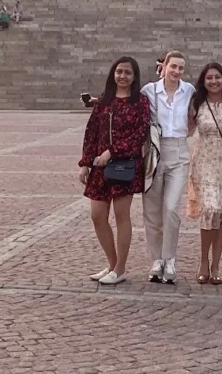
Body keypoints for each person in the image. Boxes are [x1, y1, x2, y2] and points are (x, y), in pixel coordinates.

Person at [79, 56, 151, 286]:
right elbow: (92, 132)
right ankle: (112, 263)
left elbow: (139, 135)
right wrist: (85, 163)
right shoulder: (104, 101)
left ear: (134, 76)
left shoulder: (140, 101)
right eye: (119, 71)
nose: (122, 76)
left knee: (122, 216)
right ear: (113, 74)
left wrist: (112, 151)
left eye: (127, 73)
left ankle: (120, 268)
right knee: (97, 216)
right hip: (100, 165)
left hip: (124, 165)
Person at [187, 62, 222, 285]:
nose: (214, 81)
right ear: (203, 81)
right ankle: (203, 261)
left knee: (221, 213)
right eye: (209, 78)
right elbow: (185, 127)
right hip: (205, 162)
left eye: (217, 77)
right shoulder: (196, 103)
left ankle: (216, 265)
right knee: (210, 209)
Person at [140, 51, 194, 284]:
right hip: (153, 152)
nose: (177, 72)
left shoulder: (189, 90)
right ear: (164, 66)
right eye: (173, 67)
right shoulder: (149, 91)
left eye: (181, 68)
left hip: (179, 152)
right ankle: (156, 259)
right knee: (152, 210)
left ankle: (169, 258)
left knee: (171, 208)